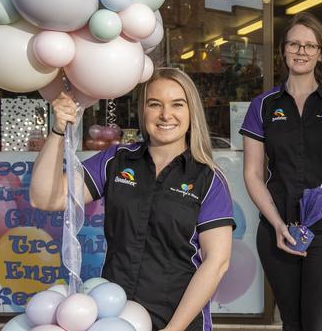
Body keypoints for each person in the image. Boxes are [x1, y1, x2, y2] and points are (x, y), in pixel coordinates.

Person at [30, 67, 235, 331]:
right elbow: (45, 198)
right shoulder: (117, 160)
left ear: (191, 112)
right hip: (114, 316)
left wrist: (173, 329)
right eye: (154, 104)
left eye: (177, 104)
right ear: (143, 111)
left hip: (178, 321)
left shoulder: (209, 179)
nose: (165, 114)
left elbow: (216, 263)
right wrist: (58, 130)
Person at [240, 12, 322, 331]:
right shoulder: (263, 105)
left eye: (310, 45)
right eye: (295, 43)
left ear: (320, 53)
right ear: (284, 49)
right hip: (279, 229)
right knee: (292, 323)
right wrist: (277, 224)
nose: (301, 51)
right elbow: (252, 174)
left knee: (319, 323)